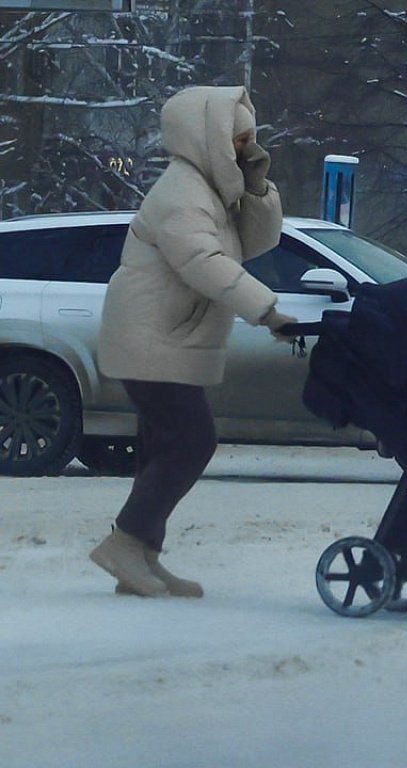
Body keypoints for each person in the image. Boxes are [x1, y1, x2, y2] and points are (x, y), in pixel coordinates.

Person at [89, 86, 296, 598]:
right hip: (151, 337)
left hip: (170, 337)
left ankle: (141, 559)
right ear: (207, 138)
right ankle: (124, 544)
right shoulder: (181, 193)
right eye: (238, 139)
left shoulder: (209, 192)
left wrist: (256, 186)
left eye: (250, 138)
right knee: (192, 441)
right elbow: (204, 263)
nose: (247, 147)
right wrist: (267, 311)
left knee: (163, 446)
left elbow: (256, 241)